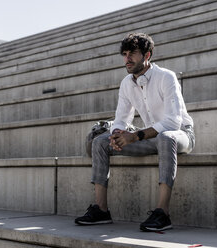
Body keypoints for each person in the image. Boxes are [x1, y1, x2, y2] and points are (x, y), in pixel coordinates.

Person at [75, 33, 195, 231]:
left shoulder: (166, 77)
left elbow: (173, 122)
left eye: (133, 53)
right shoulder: (126, 83)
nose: (127, 58)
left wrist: (135, 136)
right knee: (100, 141)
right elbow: (121, 119)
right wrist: (116, 135)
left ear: (147, 54)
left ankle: (162, 213)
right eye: (125, 54)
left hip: (180, 135)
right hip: (151, 137)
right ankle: (101, 209)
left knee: (166, 137)